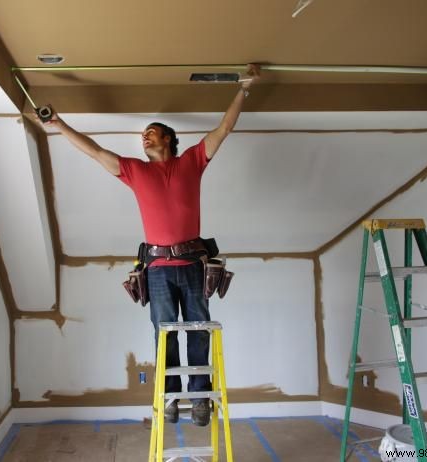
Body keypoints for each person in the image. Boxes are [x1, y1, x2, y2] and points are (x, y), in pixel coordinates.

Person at [40, 64, 260, 426]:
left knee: (198, 329)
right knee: (164, 335)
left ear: (170, 140)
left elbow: (224, 128)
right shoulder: (134, 171)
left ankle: (201, 396)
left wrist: (244, 89)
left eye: (152, 133)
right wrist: (58, 124)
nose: (145, 138)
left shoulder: (192, 161)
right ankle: (172, 397)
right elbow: (94, 152)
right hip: (156, 270)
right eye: (144, 135)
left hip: (192, 265)